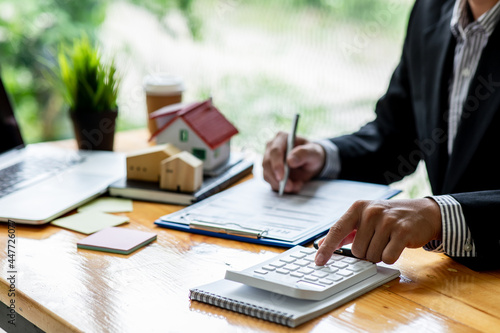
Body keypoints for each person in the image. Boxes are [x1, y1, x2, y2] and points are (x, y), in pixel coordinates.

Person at [263, 0, 500, 270]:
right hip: (450, 277)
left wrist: (441, 215)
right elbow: (396, 137)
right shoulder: (430, 9)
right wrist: (323, 155)